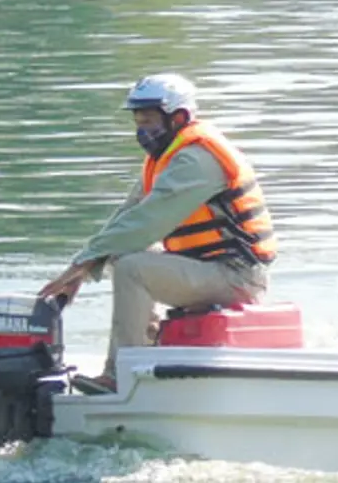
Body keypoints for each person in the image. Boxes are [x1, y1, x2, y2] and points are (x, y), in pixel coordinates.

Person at [39, 74, 274, 393]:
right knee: (123, 254)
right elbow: (128, 216)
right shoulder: (165, 158)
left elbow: (148, 221)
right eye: (137, 120)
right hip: (206, 268)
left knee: (132, 268)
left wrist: (84, 263)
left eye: (149, 120)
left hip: (236, 276)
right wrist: (82, 267)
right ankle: (142, 355)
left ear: (178, 117)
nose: (141, 130)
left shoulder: (197, 159)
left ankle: (124, 374)